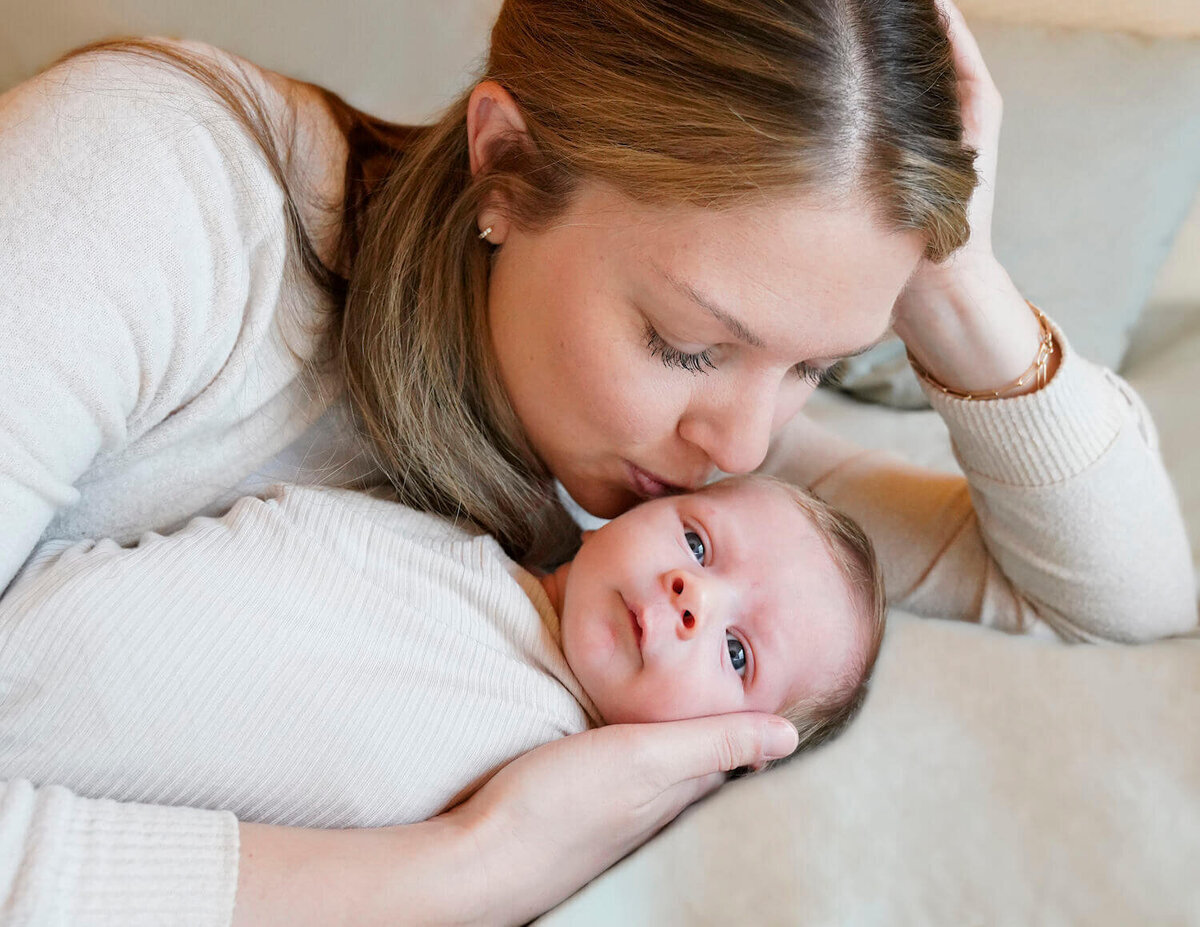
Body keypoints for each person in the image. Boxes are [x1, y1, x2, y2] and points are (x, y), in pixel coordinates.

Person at [0, 0, 1193, 922]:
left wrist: (947, 269)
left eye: (813, 366)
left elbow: (1121, 595)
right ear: (504, 168)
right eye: (687, 344)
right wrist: (457, 877)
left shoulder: (674, 502)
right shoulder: (152, 185)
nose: (744, 445)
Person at [0, 473, 885, 831]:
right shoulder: (472, 529)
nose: (695, 596)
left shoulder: (552, 782)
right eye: (697, 543)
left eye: (737, 655)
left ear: (729, 751)